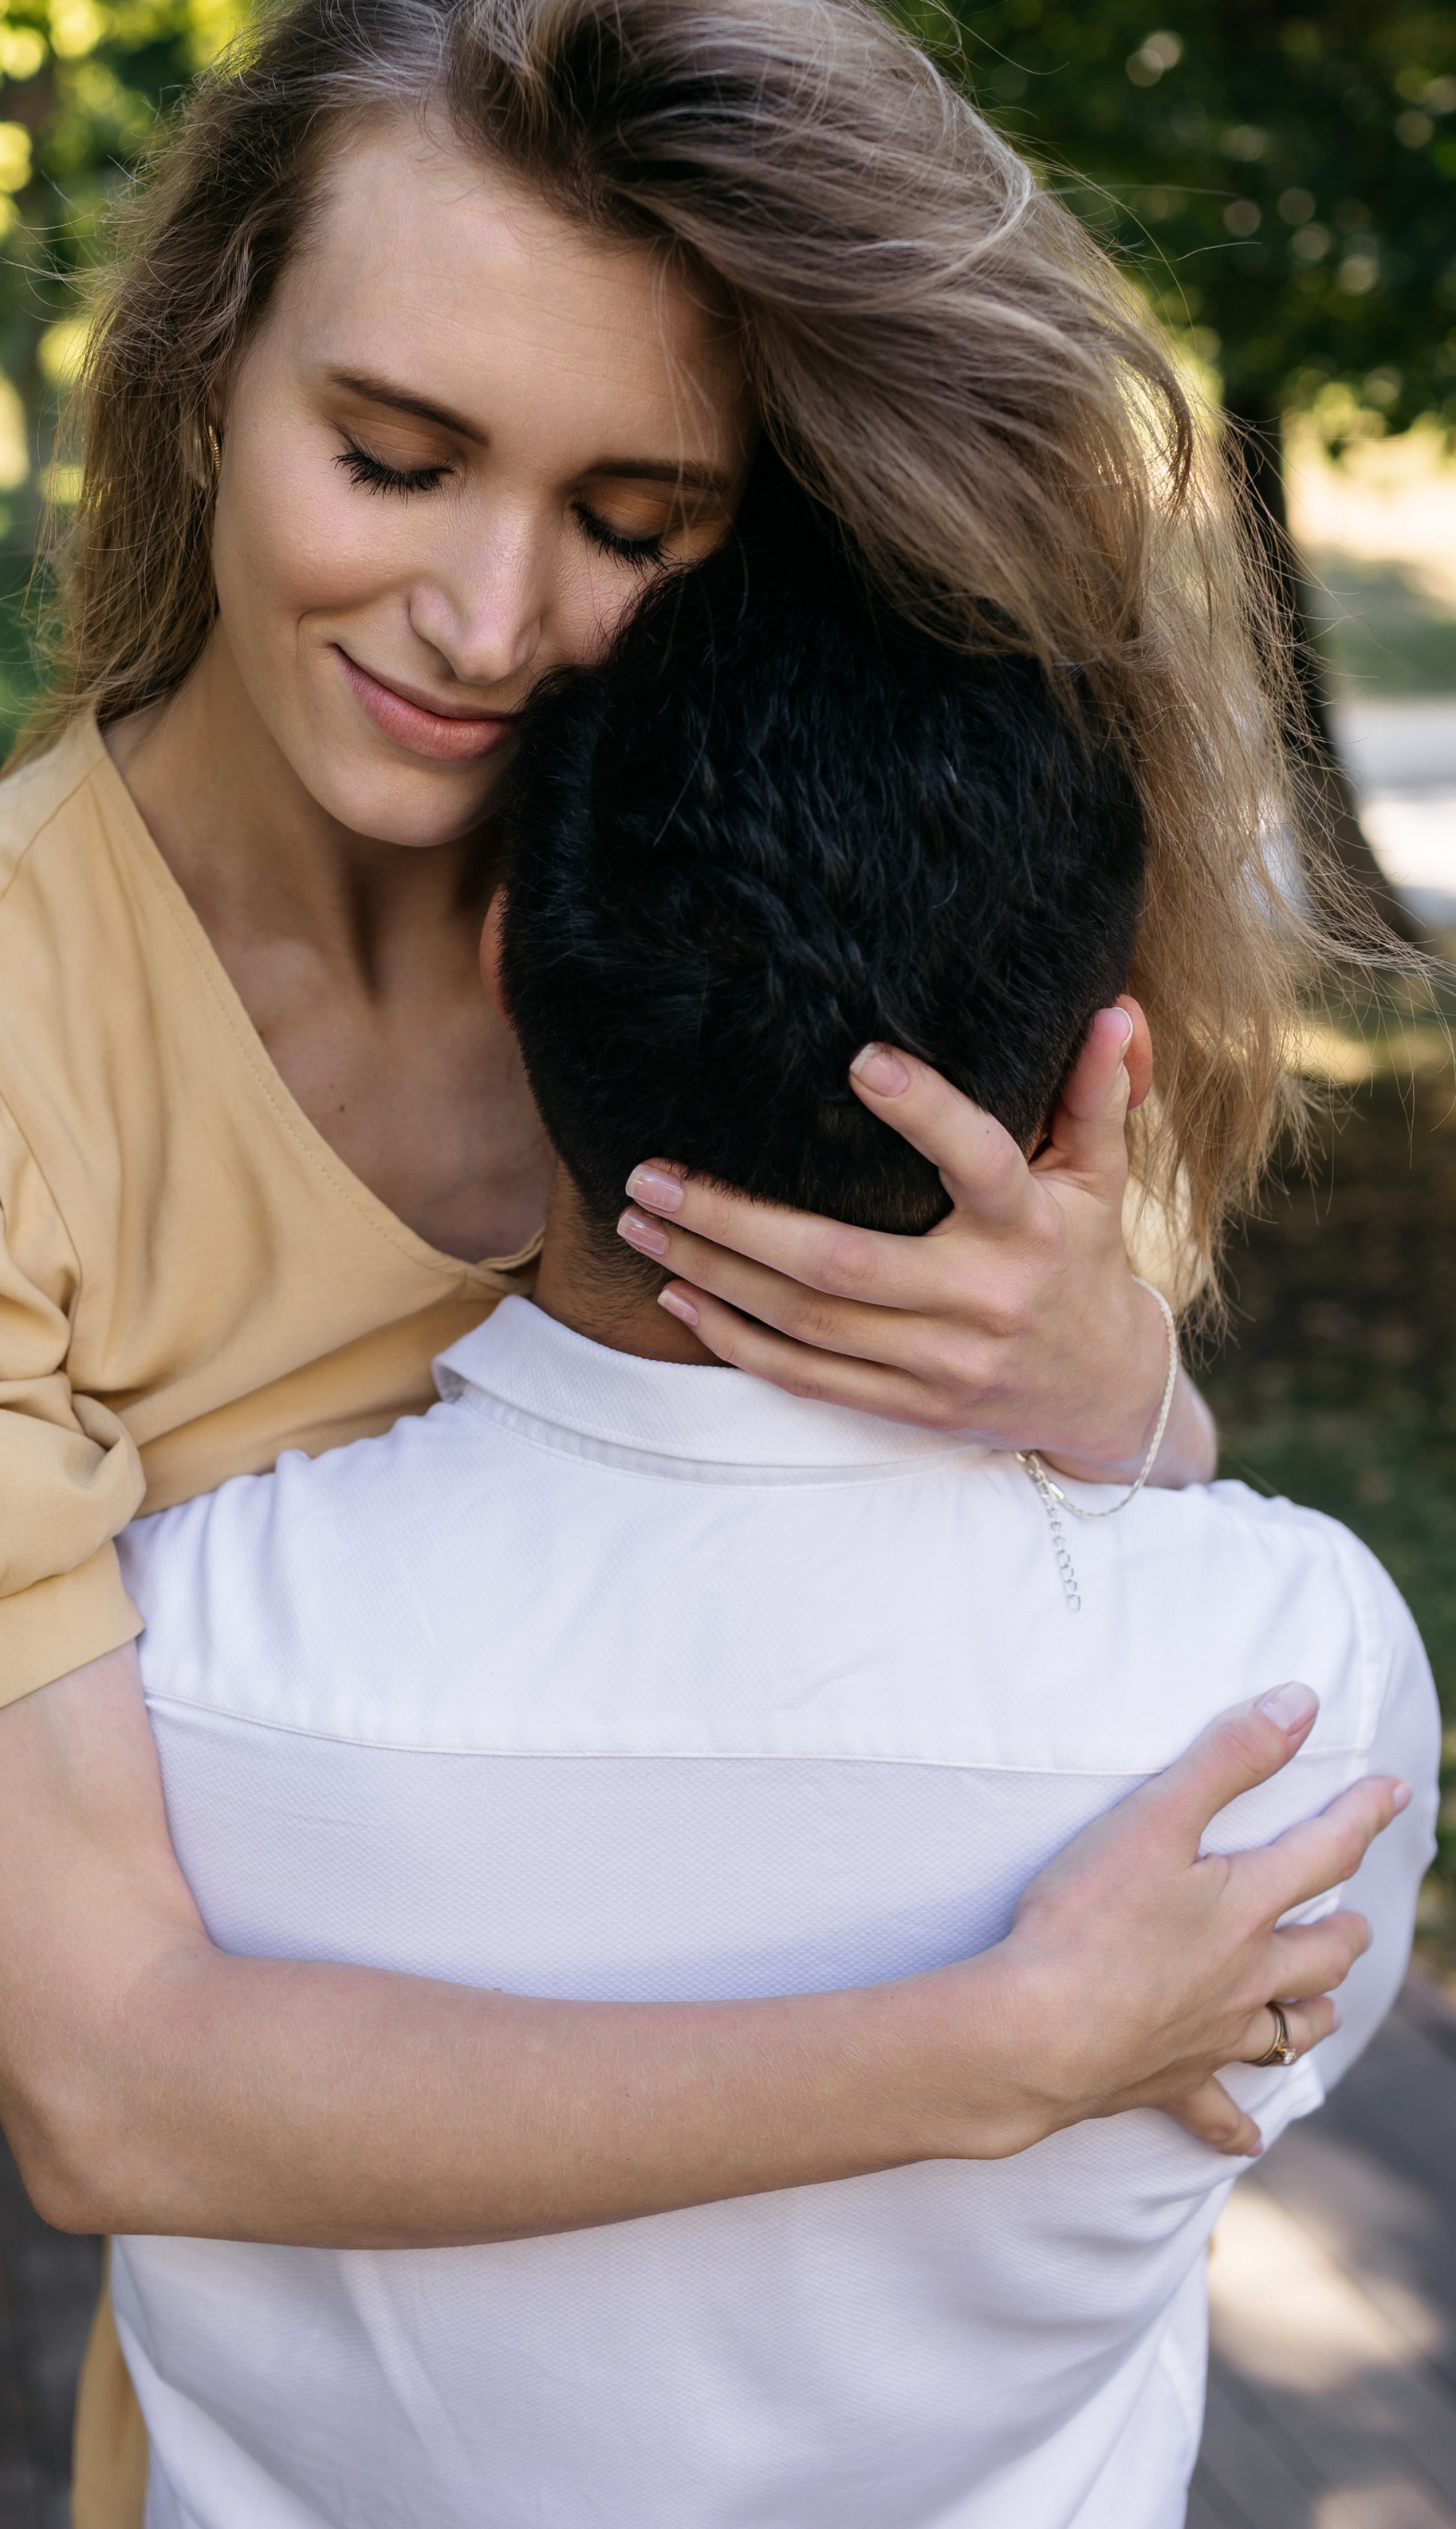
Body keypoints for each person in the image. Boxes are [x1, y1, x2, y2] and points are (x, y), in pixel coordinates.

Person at [0, 0, 1394, 2525]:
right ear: (207, 360)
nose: (485, 616)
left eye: (632, 520)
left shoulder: (735, 872)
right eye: (394, 450)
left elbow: (1076, 1583)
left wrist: (1120, 1389)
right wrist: (999, 2059)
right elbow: (116, 2086)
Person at [76, 509, 1437, 2527]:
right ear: (1100, 1057)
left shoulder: (163, 1649)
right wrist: (1131, 1393)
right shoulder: (1288, 1689)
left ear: (498, 955)